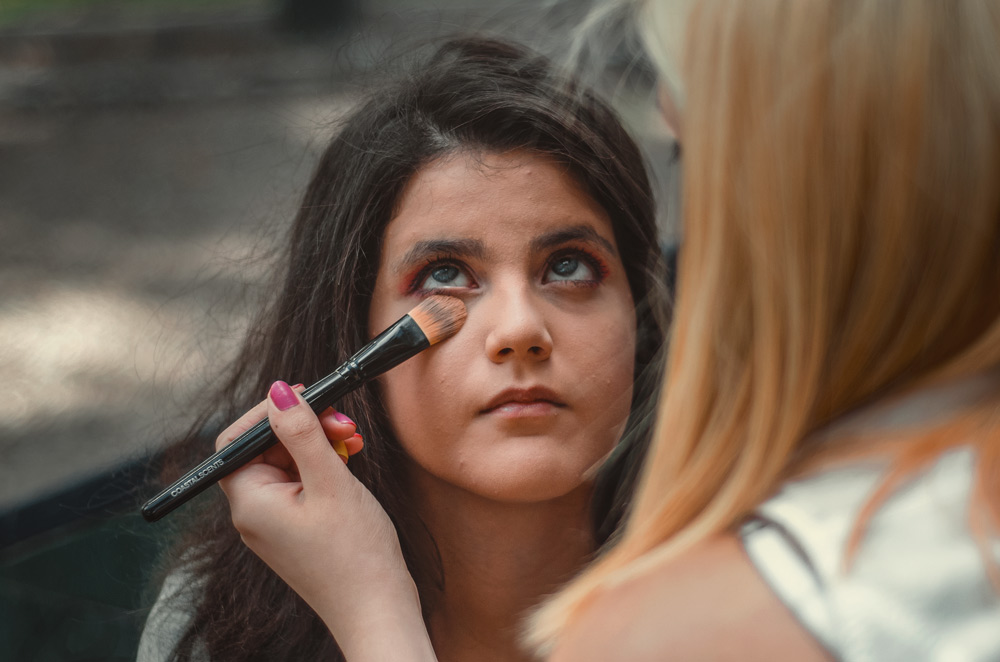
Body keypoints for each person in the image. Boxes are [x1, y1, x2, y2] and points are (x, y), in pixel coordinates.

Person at [138, 36, 669, 662]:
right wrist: (369, 598)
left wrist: (375, 623)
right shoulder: (215, 630)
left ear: (641, 316)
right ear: (352, 331)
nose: (520, 329)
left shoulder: (758, 602)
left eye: (570, 265)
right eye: (445, 274)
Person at [529, 1, 1000, 660]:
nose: (520, 332)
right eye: (444, 275)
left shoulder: (691, 630)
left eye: (692, 159)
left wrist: (373, 604)